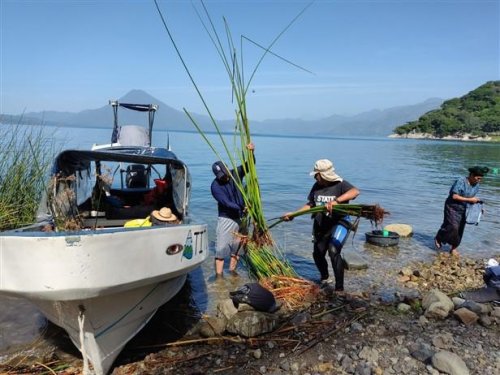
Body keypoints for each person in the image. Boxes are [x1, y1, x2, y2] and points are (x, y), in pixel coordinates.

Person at [282, 159, 360, 291]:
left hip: (340, 222)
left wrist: (337, 201)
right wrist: (293, 214)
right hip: (321, 224)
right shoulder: (316, 186)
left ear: (323, 174)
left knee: (333, 250)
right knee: (317, 254)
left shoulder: (340, 184)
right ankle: (324, 278)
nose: (314, 177)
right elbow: (311, 204)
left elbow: (355, 192)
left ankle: (339, 289)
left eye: (316, 174)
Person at [211, 143, 255, 278]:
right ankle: (219, 277)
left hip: (240, 217)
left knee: (237, 248)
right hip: (226, 218)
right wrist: (242, 207)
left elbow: (250, 166)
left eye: (224, 174)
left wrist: (251, 152)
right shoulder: (215, 186)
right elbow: (227, 203)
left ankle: (232, 272)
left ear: (227, 169)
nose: (224, 177)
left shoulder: (235, 173)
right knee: (221, 250)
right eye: (220, 176)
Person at [434, 166, 489, 257]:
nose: (479, 180)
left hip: (464, 208)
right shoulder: (460, 181)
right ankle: (439, 237)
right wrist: (470, 200)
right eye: (477, 178)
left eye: (480, 179)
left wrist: (479, 207)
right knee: (452, 226)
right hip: (452, 206)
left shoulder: (476, 185)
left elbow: (472, 199)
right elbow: (454, 196)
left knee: (460, 229)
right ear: (471, 175)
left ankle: (454, 247)